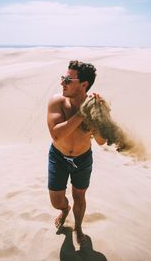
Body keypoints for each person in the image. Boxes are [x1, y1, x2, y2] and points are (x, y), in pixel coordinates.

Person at [47, 60, 106, 243]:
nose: (62, 82)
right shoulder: (57, 101)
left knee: (79, 196)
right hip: (58, 157)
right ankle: (65, 210)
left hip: (82, 158)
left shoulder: (95, 107)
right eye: (63, 78)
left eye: (67, 79)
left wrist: (98, 116)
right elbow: (57, 135)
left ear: (84, 84)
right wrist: (83, 112)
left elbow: (101, 141)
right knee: (56, 201)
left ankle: (78, 227)